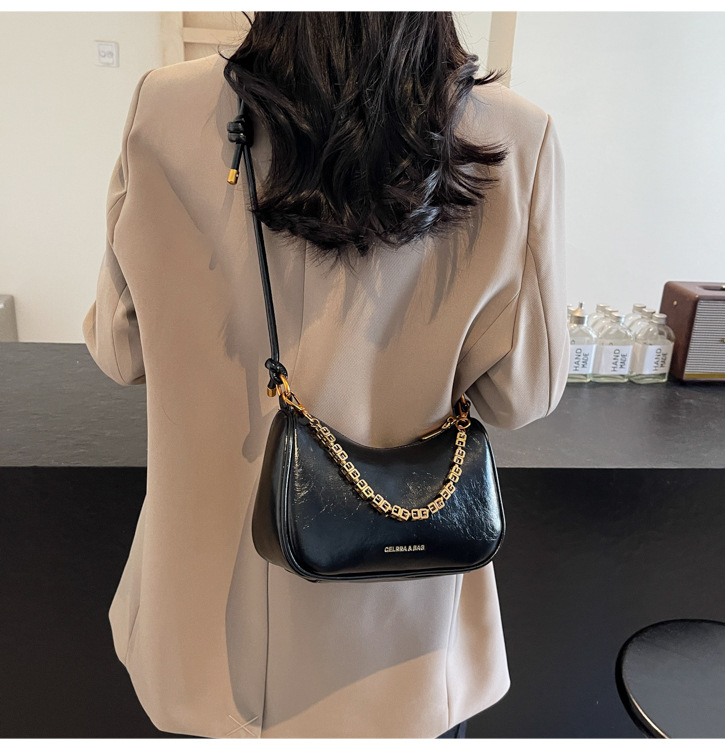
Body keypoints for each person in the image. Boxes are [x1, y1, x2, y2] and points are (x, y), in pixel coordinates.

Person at [82, 11, 568, 739]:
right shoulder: (514, 135)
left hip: (202, 639)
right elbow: (520, 394)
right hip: (401, 646)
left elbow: (121, 350)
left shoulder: (164, 106)